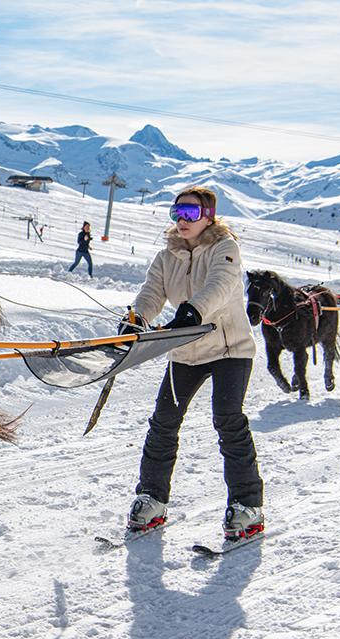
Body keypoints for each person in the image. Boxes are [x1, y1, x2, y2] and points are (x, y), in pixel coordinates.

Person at [123, 187, 265, 543]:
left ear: (209, 217)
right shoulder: (166, 255)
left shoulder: (225, 248)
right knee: (163, 423)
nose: (182, 221)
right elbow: (152, 292)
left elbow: (220, 286)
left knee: (228, 421)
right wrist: (138, 317)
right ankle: (152, 498)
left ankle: (248, 506)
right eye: (177, 213)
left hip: (229, 349)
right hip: (185, 351)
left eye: (190, 214)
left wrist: (192, 310)